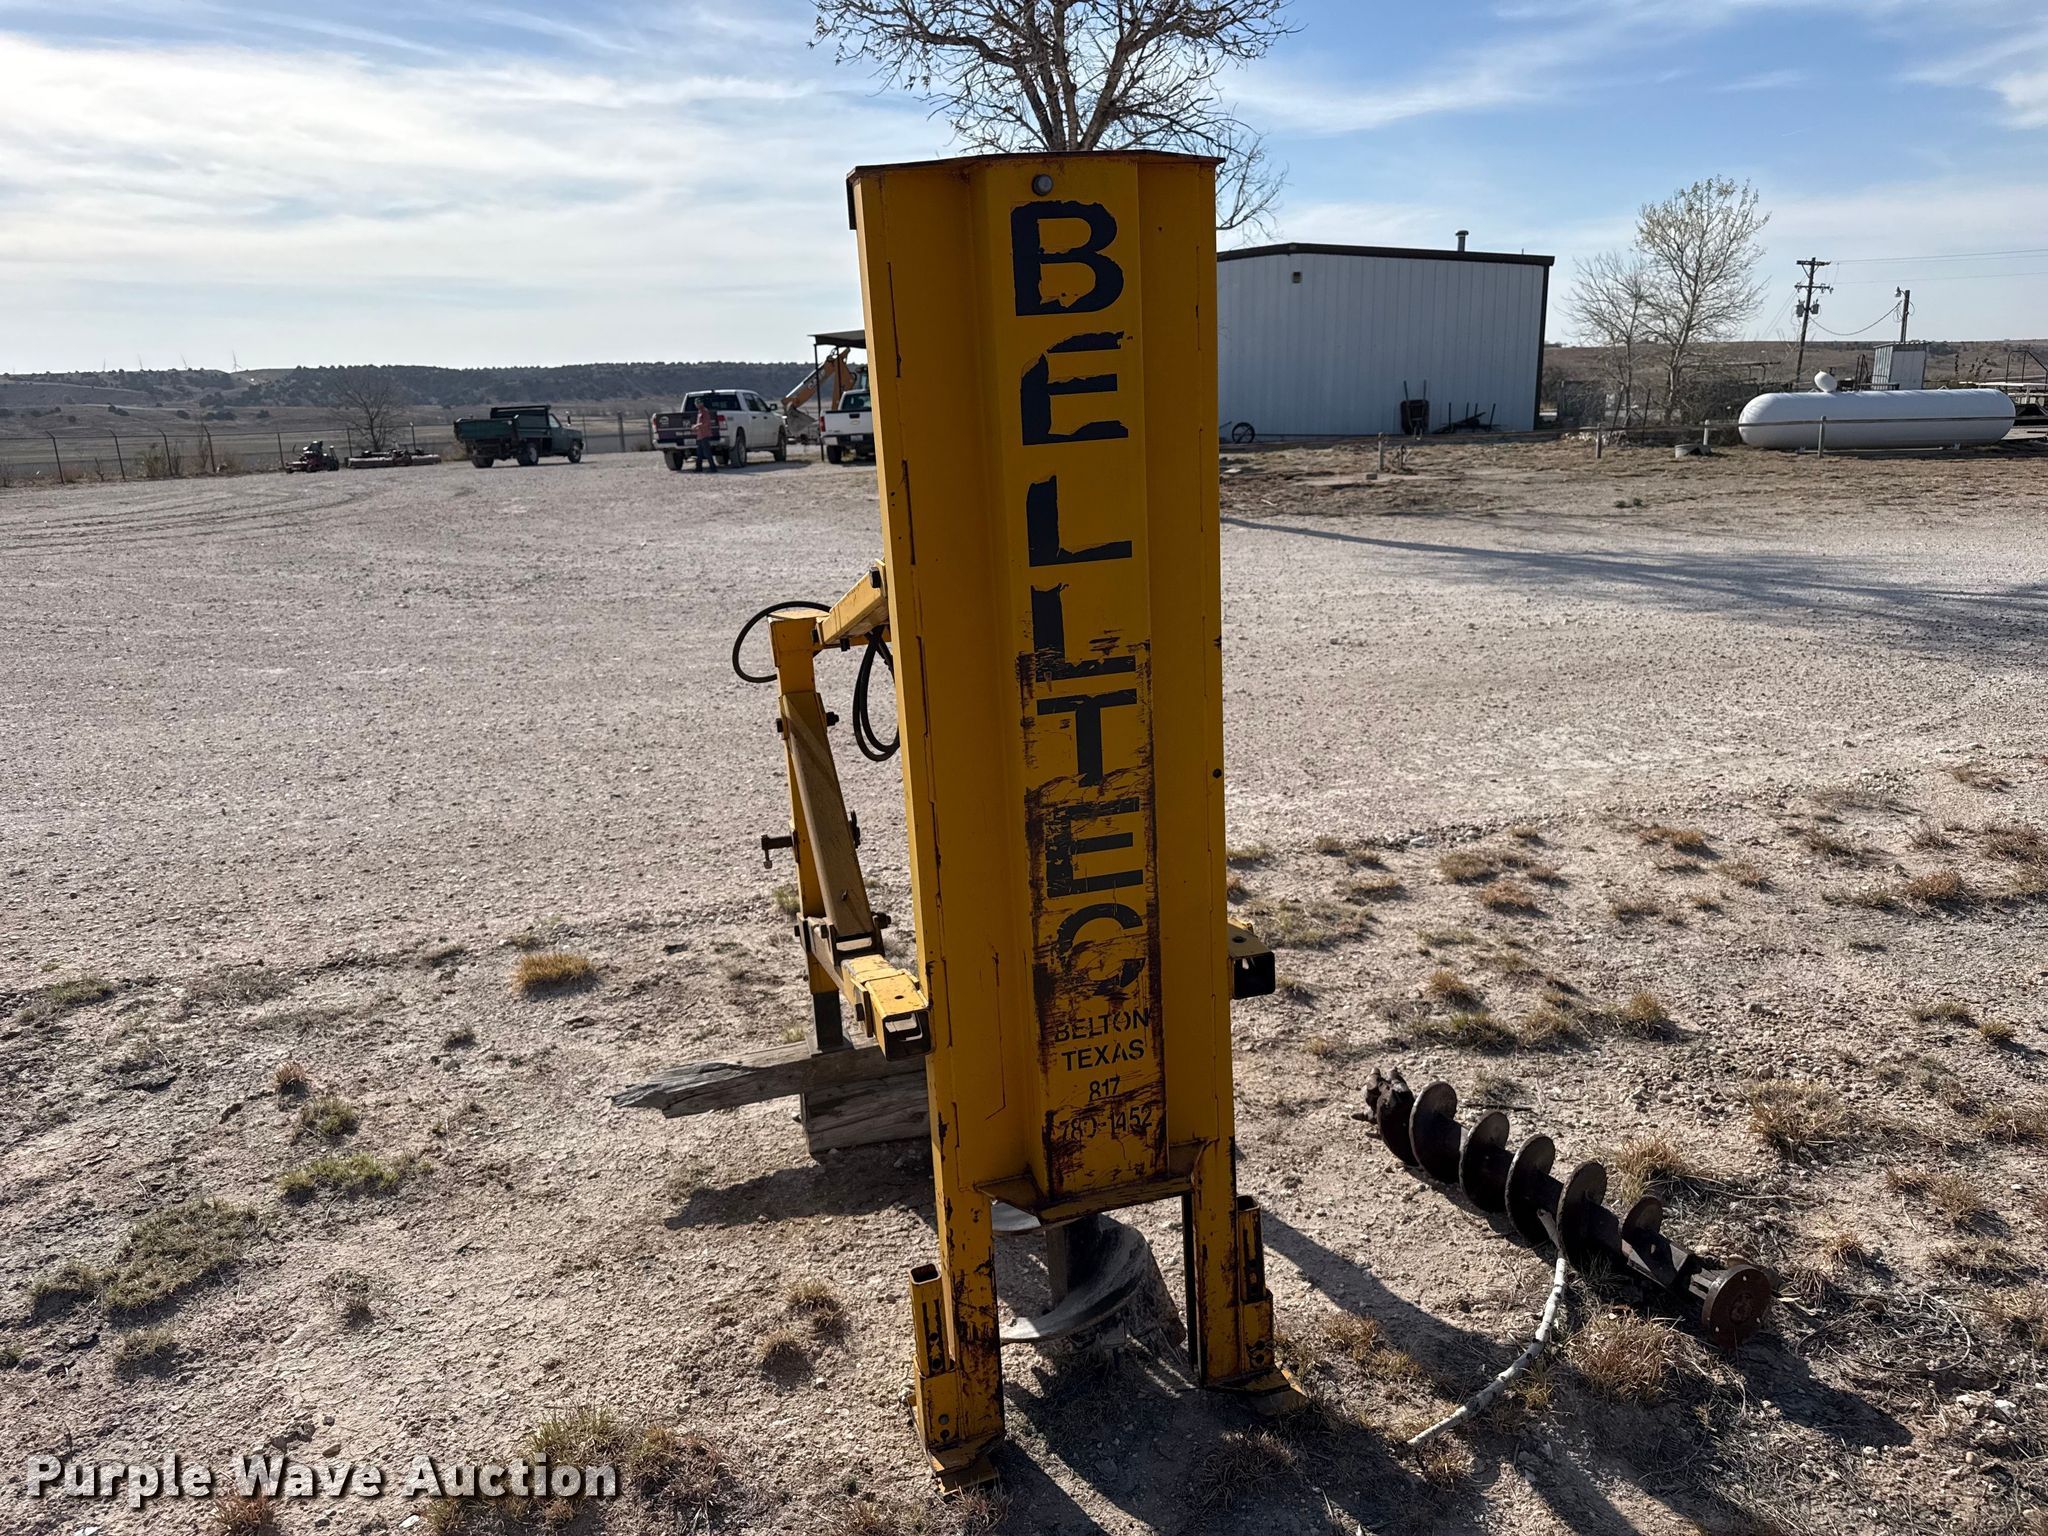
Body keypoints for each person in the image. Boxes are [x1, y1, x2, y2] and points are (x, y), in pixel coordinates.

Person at [692, 398, 718, 471]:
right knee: (699, 453)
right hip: (700, 435)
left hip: (705, 435)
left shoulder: (705, 411)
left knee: (707, 452)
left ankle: (713, 468)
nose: (697, 405)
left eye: (698, 403)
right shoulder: (699, 412)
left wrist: (696, 426)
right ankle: (698, 468)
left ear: (702, 403)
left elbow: (706, 423)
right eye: (696, 403)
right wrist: (696, 428)